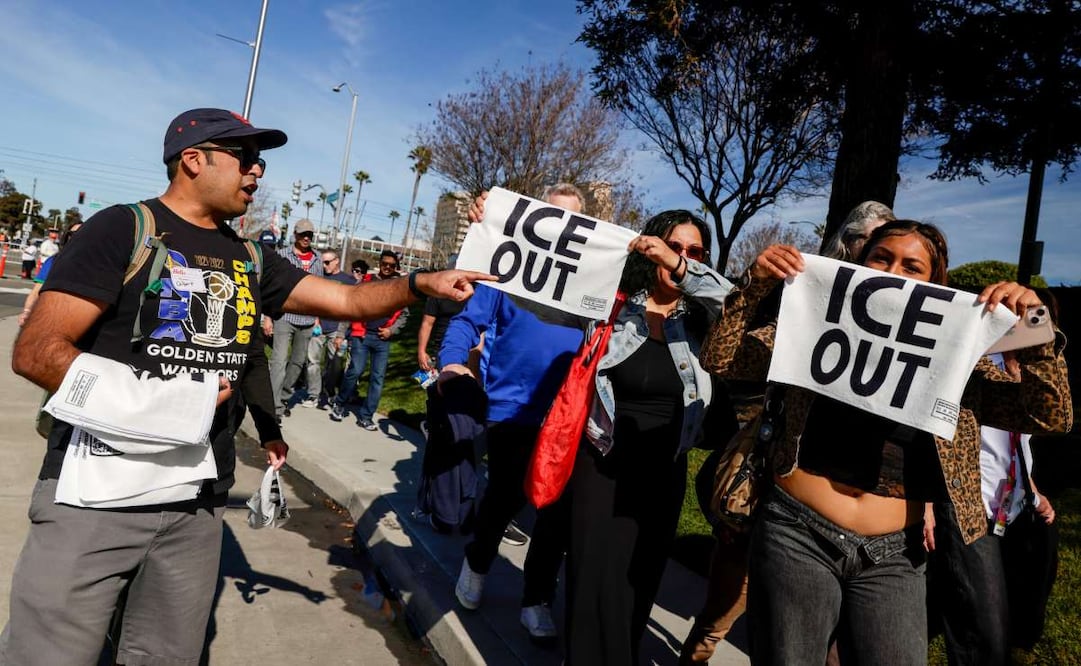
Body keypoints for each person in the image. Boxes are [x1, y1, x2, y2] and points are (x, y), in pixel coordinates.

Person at [2, 107, 490, 666]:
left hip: (197, 501)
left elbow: (349, 300)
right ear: (192, 159)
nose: (257, 172)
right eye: (246, 157)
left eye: (260, 160)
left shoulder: (252, 256)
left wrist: (420, 283)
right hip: (94, 494)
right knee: (48, 655)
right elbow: (38, 352)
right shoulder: (123, 228)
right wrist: (164, 404)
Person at [702, 220, 1072, 665]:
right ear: (860, 263)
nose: (895, 272)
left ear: (935, 283)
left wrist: (1034, 323)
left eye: (912, 266)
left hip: (896, 553)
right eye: (882, 258)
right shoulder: (817, 321)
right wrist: (753, 286)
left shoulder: (958, 358)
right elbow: (721, 360)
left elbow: (1051, 417)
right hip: (797, 533)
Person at [680, 200, 897, 665]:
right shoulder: (802, 293)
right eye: (873, 245)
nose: (881, 257)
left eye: (890, 245)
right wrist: (756, 284)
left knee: (824, 639)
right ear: (848, 244)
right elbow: (725, 356)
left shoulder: (906, 321)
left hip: (856, 499)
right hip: (779, 475)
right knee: (728, 602)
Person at [541, 210, 732, 665]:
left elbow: (740, 303)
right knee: (589, 574)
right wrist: (493, 224)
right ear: (649, 247)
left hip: (663, 472)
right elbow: (544, 294)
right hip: (602, 461)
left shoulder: (704, 319)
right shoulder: (615, 304)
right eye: (672, 245)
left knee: (638, 578)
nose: (680, 257)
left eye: (694, 252)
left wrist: (683, 268)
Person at [442, 184, 589, 642]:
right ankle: (478, 562)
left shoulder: (593, 279)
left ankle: (536, 598)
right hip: (511, 408)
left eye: (573, 220)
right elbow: (468, 319)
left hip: (567, 416)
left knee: (556, 514)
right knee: (505, 497)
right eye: (553, 215)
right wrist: (451, 359)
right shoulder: (507, 270)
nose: (562, 226)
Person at [929, 348, 1058, 665]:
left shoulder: (1026, 373)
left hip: (1013, 513)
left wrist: (1034, 493)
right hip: (970, 512)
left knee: (1000, 616)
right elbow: (935, 436)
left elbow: (1014, 447)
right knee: (984, 635)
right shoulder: (972, 364)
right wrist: (927, 503)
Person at [329, 250, 408, 430]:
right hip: (361, 335)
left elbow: (404, 315)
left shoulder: (399, 286)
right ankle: (340, 403)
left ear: (396, 267)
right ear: (379, 264)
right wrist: (341, 333)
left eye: (392, 265)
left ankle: (366, 416)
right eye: (384, 264)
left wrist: (391, 330)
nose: (387, 267)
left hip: (382, 338)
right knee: (355, 371)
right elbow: (350, 307)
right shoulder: (366, 281)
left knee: (377, 379)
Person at [264, 218, 323, 417]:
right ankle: (274, 407)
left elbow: (318, 291)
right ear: (295, 235)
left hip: (307, 320)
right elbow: (271, 288)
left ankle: (283, 398)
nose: (306, 238)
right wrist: (268, 317)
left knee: (297, 363)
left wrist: (317, 318)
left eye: (310, 235)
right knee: (279, 361)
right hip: (284, 316)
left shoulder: (318, 259)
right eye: (303, 234)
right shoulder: (282, 255)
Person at [310, 249, 354, 408]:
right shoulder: (319, 277)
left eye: (327, 262)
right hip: (318, 327)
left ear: (337, 261)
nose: (324, 265)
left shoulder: (348, 281)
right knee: (312, 362)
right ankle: (313, 394)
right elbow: (314, 301)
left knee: (333, 366)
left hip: (336, 329)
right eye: (322, 262)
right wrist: (315, 321)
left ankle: (328, 392)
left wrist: (342, 333)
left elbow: (350, 308)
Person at [19, 222, 83, 327]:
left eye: (82, 233)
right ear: (66, 237)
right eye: (72, 234)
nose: (77, 237)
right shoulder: (53, 261)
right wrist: (27, 311)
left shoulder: (99, 264)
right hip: (50, 319)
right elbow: (36, 291)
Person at [819, 200, 896, 262]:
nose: (874, 246)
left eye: (881, 240)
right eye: (868, 239)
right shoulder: (823, 270)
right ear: (848, 239)